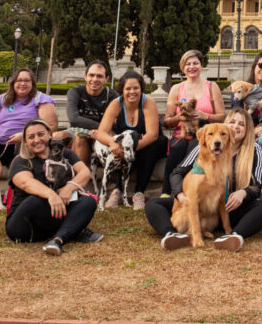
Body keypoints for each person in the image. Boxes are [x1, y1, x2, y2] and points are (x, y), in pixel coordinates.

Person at [146, 108, 262, 252]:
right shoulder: (203, 147)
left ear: (248, 129)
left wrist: (243, 193)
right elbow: (177, 173)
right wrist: (179, 194)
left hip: (231, 209)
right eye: (232, 122)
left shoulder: (255, 150)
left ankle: (233, 236)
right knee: (153, 203)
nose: (236, 126)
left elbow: (257, 187)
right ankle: (172, 234)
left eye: (241, 124)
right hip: (198, 207)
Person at [4, 118, 101, 255]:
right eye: (31, 137)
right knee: (36, 200)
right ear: (25, 142)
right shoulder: (21, 161)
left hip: (52, 219)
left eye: (41, 134)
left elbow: (85, 173)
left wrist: (68, 188)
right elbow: (26, 183)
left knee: (88, 201)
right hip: (24, 226)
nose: (37, 140)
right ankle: (75, 230)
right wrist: (51, 195)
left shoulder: (65, 154)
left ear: (50, 134)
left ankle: (58, 239)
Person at [0, 68, 57, 202]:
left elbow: (50, 126)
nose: (22, 83)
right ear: (13, 82)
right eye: (19, 80)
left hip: (26, 141)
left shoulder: (41, 99)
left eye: (27, 80)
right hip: (0, 141)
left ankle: (18, 196)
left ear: (32, 83)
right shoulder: (1, 100)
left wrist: (24, 135)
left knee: (22, 159)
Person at [93, 71, 169, 210]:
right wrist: (112, 143)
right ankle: (118, 191)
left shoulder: (148, 102)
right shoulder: (116, 104)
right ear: (122, 90)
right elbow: (101, 132)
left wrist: (127, 150)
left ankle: (138, 193)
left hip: (151, 144)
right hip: (127, 146)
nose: (132, 92)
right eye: (128, 88)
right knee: (119, 146)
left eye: (136, 88)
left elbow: (152, 134)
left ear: (141, 89)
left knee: (149, 147)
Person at [163, 50, 225, 192]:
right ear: (183, 67)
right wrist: (179, 117)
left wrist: (205, 115)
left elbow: (222, 116)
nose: (192, 67)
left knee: (195, 146)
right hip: (182, 133)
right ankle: (166, 191)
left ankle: (190, 189)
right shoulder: (176, 89)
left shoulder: (212, 86)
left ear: (201, 65)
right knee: (179, 146)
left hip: (205, 134)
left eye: (195, 63)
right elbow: (167, 121)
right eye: (188, 64)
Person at [232, 51, 262, 200]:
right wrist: (259, 105)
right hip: (244, 133)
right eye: (261, 65)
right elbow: (237, 116)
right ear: (254, 66)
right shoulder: (240, 88)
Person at [66, 60, 116, 170]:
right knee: (57, 137)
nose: (94, 79)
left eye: (99, 76)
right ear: (85, 76)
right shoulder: (75, 91)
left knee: (80, 136)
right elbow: (74, 119)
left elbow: (116, 123)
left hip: (102, 135)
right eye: (91, 75)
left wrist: (101, 132)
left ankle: (79, 178)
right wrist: (100, 127)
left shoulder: (112, 96)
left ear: (106, 78)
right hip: (88, 129)